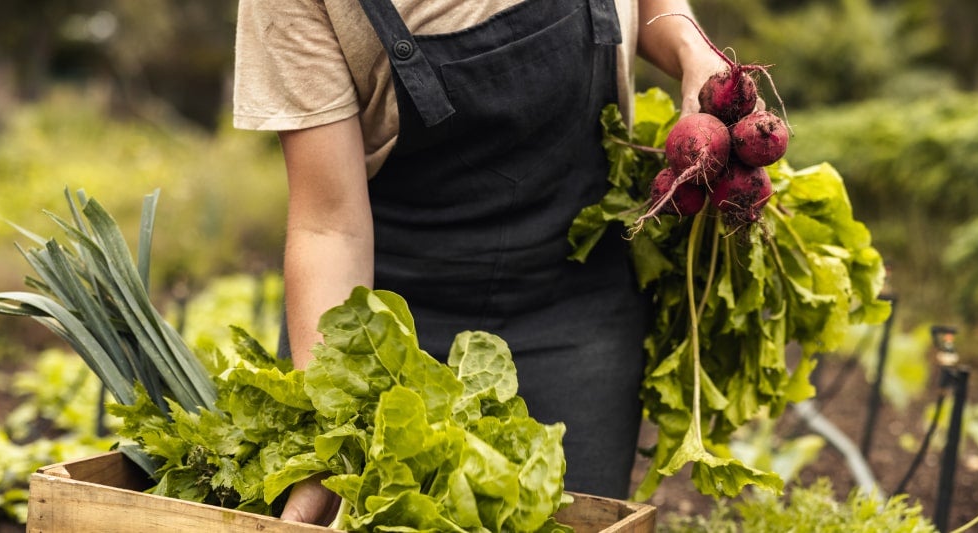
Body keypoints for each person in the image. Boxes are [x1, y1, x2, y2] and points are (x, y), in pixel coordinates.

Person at [233, 0, 725, 525]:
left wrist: (691, 49)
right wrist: (324, 432)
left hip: (579, 306)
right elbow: (328, 226)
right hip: (392, 334)